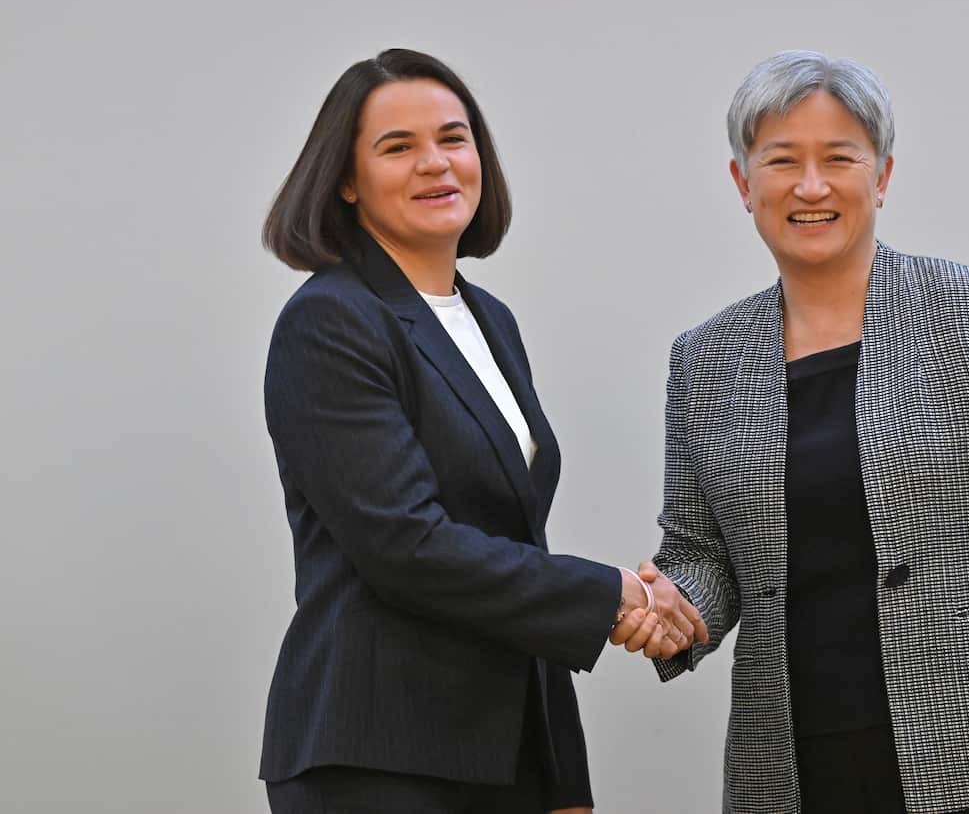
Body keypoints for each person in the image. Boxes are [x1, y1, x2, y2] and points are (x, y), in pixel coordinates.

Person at [621, 50, 969, 813]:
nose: (810, 186)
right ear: (742, 182)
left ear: (880, 175)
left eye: (838, 158)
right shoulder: (703, 358)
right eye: (782, 160)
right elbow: (701, 552)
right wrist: (670, 607)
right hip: (788, 762)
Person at [257, 48, 705, 814]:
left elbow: (514, 545)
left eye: (453, 138)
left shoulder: (491, 321)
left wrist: (564, 776)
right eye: (397, 146)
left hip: (507, 756)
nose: (435, 163)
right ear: (346, 179)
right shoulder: (330, 319)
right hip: (380, 752)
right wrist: (610, 594)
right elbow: (407, 545)